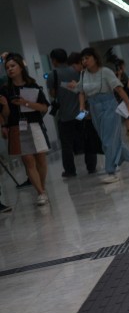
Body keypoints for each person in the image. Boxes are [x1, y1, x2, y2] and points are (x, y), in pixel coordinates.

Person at [78, 47, 129, 183]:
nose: (85, 61)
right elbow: (81, 92)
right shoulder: (83, 74)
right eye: (83, 59)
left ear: (95, 58)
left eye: (87, 58)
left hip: (109, 106)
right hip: (94, 108)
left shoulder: (105, 72)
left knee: (107, 141)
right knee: (111, 140)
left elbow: (119, 89)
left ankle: (112, 171)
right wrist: (82, 107)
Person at [1, 53, 53, 205]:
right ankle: (40, 192)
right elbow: (5, 115)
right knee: (28, 160)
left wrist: (25, 103)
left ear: (20, 67)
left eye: (13, 66)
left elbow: (44, 107)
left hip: (35, 124)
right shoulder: (5, 89)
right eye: (7, 67)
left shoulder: (32, 85)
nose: (10, 69)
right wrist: (5, 105)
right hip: (17, 127)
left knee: (41, 159)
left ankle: (42, 187)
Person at [48, 49, 97, 178]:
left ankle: (70, 171)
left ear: (54, 60)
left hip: (65, 117)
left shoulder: (53, 74)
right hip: (82, 114)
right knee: (87, 139)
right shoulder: (78, 71)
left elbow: (53, 94)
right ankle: (91, 167)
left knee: (67, 145)